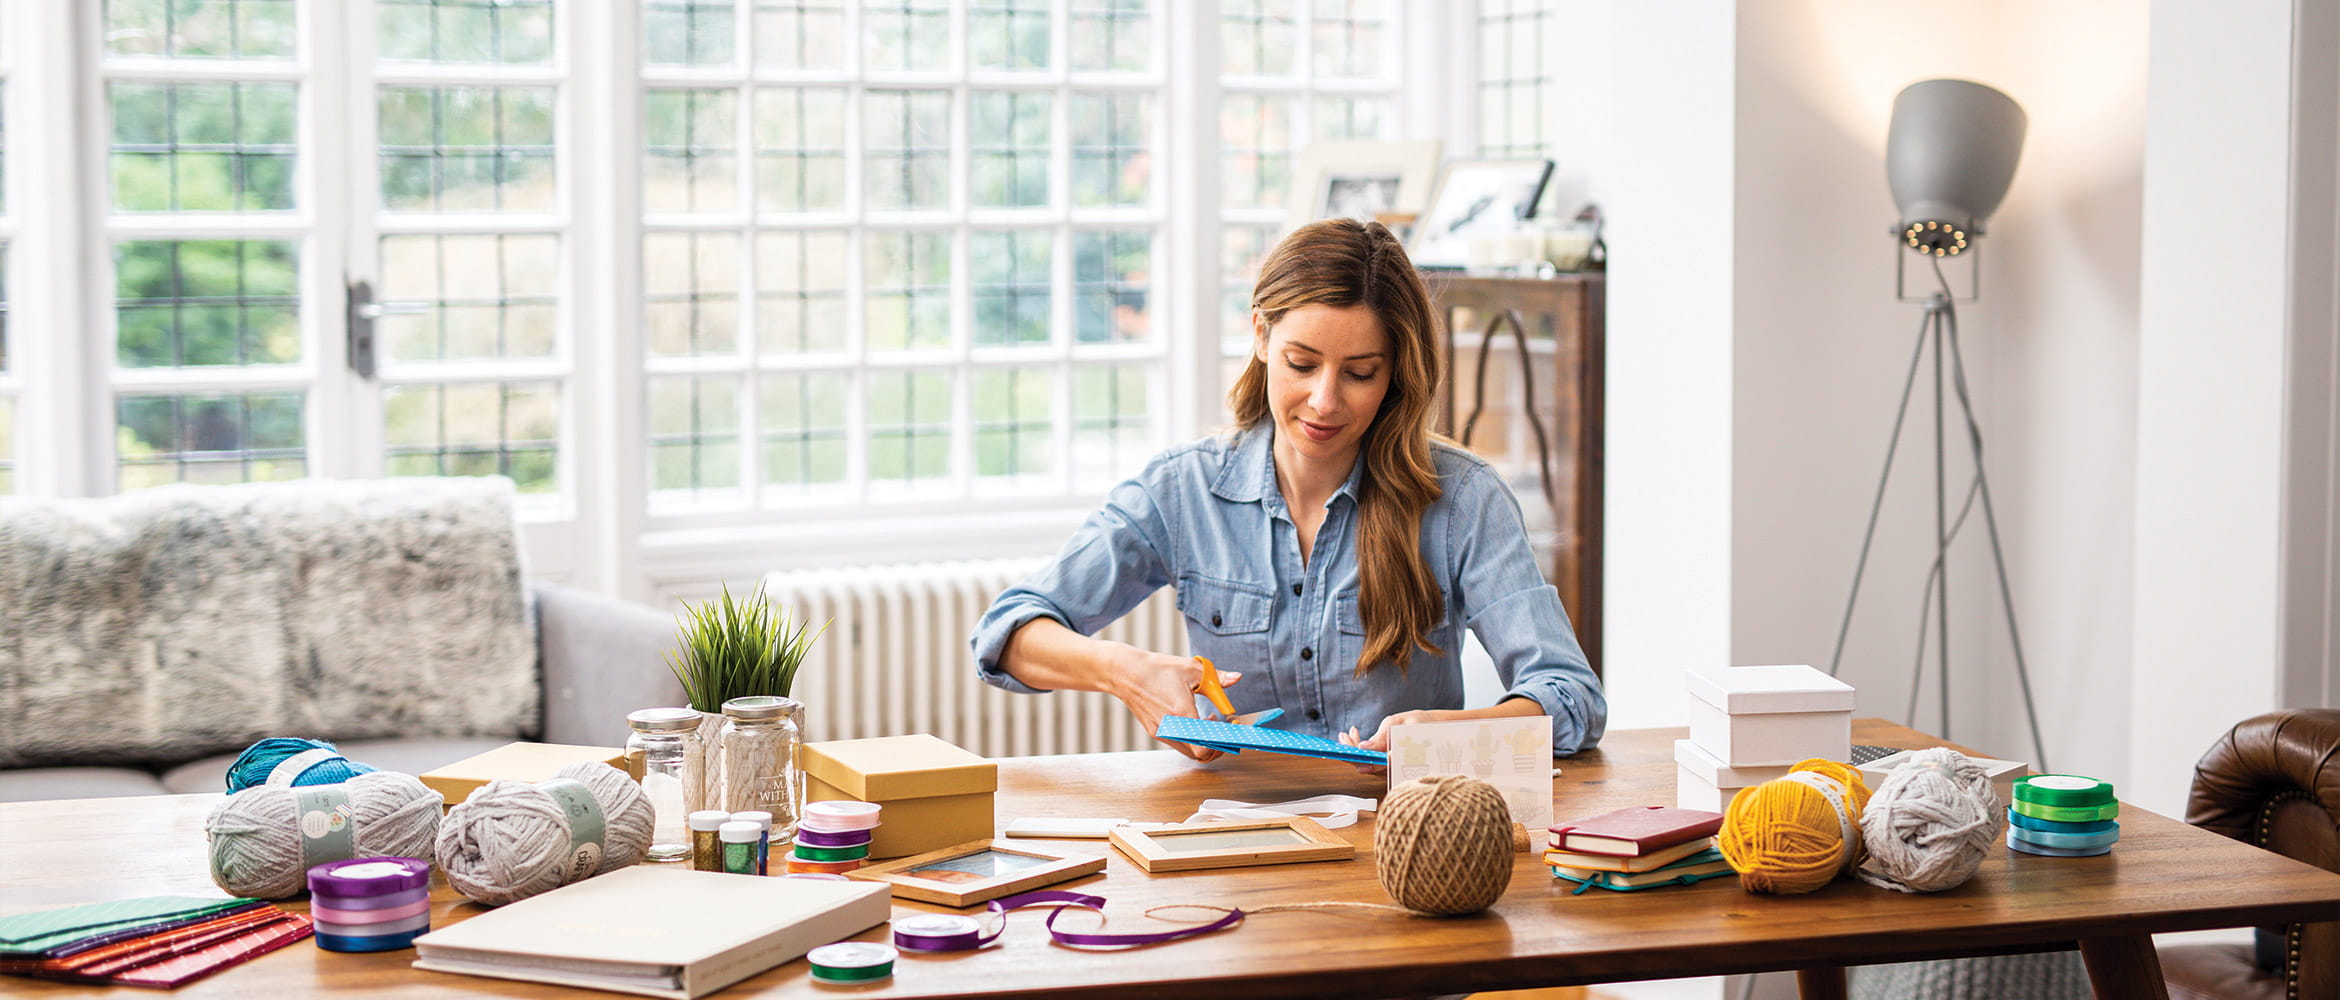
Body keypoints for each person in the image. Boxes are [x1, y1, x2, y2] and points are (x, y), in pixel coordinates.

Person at [969, 218, 1605, 762]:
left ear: (1395, 377)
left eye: (1360, 373)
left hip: (1401, 842)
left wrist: (1453, 734)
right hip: (1232, 845)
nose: (1324, 402)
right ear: (1260, 336)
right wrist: (1127, 674)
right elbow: (1008, 632)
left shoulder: (1464, 501)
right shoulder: (1182, 489)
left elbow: (1570, 694)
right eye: (1302, 364)